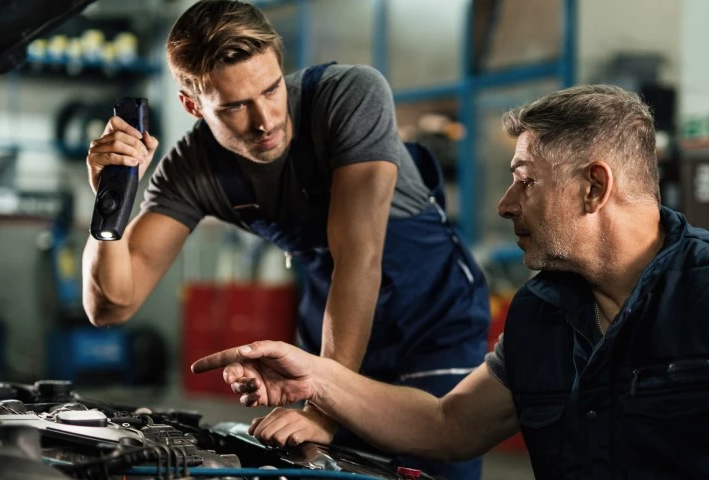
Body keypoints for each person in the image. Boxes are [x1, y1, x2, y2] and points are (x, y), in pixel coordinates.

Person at [191, 84, 709, 479]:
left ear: (594, 186)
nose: (507, 204)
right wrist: (317, 375)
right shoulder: (543, 314)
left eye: (525, 180)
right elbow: (448, 424)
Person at [80, 1, 490, 478]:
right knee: (331, 471)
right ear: (192, 105)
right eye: (234, 106)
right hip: (333, 328)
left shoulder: (348, 97)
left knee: (431, 467)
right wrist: (111, 195)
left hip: (432, 320)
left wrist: (323, 406)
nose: (265, 120)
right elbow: (111, 306)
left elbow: (358, 257)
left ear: (281, 64)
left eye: (272, 89)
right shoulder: (191, 170)